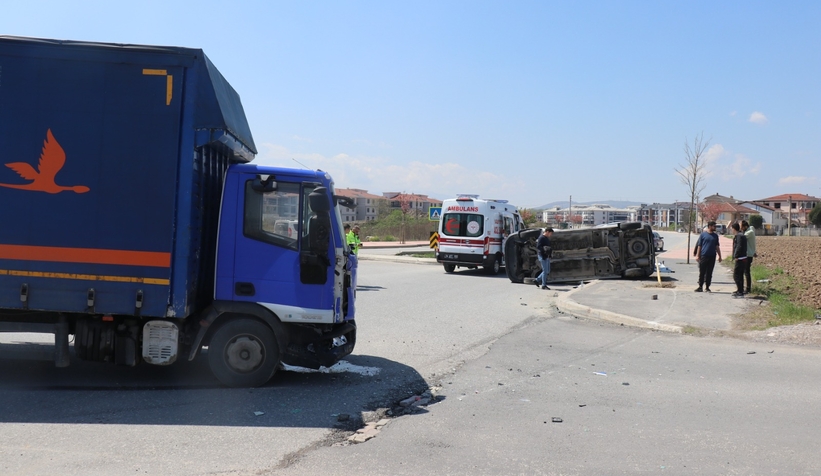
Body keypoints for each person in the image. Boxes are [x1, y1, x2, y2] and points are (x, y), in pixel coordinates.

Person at [693, 221, 722, 292]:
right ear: (710, 226)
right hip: (704, 256)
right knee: (702, 272)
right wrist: (697, 255)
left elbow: (717, 246)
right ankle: (700, 286)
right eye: (714, 226)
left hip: (712, 256)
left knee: (709, 272)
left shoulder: (715, 236)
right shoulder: (703, 235)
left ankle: (707, 287)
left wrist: (720, 256)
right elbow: (699, 246)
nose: (715, 228)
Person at [730, 222, 748, 298]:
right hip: (743, 257)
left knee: (736, 275)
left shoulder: (739, 236)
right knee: (740, 275)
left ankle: (740, 292)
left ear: (734, 229)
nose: (731, 230)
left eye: (732, 229)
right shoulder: (741, 235)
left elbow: (739, 246)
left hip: (740, 258)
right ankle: (740, 290)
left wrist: (736, 255)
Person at [741, 219, 757, 294]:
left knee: (746, 272)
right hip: (749, 254)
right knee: (746, 271)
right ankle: (747, 288)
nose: (741, 228)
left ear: (745, 226)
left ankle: (748, 288)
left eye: (741, 227)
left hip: (748, 254)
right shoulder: (749, 230)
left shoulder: (749, 232)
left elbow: (741, 237)